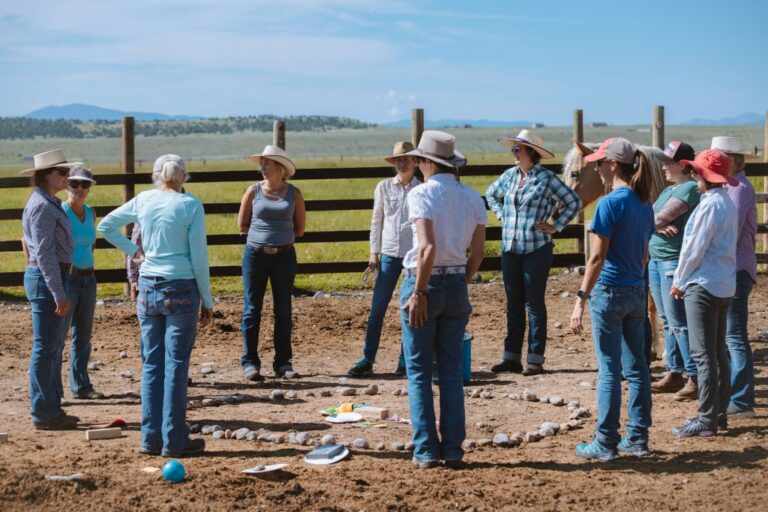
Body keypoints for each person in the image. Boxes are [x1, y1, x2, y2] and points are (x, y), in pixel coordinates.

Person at [98, 154, 212, 457]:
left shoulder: (144, 200)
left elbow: (106, 226)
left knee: (151, 364)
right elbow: (199, 257)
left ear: (156, 176)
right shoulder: (190, 205)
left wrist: (135, 252)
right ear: (183, 176)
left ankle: (150, 438)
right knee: (176, 365)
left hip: (149, 286)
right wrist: (208, 300)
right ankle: (174, 439)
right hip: (182, 287)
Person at [399, 131, 486, 469]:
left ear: (427, 162)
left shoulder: (421, 194)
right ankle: (452, 449)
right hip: (456, 282)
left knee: (419, 371)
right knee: (451, 371)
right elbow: (477, 253)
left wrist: (419, 291)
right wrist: (460, 282)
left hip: (425, 282)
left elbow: (426, 248)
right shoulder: (473, 197)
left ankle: (425, 450)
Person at [570, 137, 655, 461]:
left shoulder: (608, 204)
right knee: (638, 369)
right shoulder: (645, 203)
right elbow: (644, 254)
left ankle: (605, 442)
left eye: (600, 163)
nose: (596, 169)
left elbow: (596, 258)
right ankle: (638, 438)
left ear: (614, 165)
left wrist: (581, 298)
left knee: (609, 370)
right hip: (635, 290)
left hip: (609, 291)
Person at [486, 130, 581, 375]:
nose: (514, 153)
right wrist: (501, 214)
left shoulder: (546, 178)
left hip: (536, 248)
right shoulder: (509, 175)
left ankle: (535, 359)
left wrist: (556, 226)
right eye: (514, 149)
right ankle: (511, 357)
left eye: (518, 149)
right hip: (510, 247)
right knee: (513, 304)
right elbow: (491, 194)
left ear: (531, 152)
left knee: (534, 303)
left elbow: (573, 201)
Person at [670, 150, 738, 437]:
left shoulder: (710, 205)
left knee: (703, 355)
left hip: (704, 283)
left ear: (704, 175)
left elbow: (694, 248)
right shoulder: (727, 202)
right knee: (718, 352)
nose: (693, 175)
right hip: (724, 283)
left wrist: (679, 280)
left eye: (695, 171)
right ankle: (718, 414)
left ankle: (706, 418)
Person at [348, 141, 421, 377]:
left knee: (408, 308)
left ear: (414, 161)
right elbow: (376, 220)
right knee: (377, 308)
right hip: (389, 253)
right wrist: (374, 253)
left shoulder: (421, 189)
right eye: (399, 159)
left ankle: (405, 358)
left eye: (406, 159)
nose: (402, 163)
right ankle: (368, 358)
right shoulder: (383, 187)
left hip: (412, 256)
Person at [20, 149, 82, 430]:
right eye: (62, 172)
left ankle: (50, 407)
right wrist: (58, 292)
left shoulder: (46, 202)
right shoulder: (44, 206)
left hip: (50, 276)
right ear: (47, 175)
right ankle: (44, 412)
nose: (67, 176)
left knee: (51, 346)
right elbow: (45, 254)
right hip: (49, 277)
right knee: (46, 347)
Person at [238, 145, 305, 381]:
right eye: (262, 163)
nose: (263, 167)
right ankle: (250, 362)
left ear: (279, 167)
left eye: (267, 163)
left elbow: (300, 228)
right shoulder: (253, 191)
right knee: (251, 309)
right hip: (256, 255)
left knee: (283, 309)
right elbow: (242, 224)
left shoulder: (294, 193)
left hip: (284, 256)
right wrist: (263, 237)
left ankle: (283, 362)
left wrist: (279, 237)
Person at [648, 141, 700, 400]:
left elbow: (656, 218)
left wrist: (653, 225)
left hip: (671, 260)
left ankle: (693, 376)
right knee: (669, 320)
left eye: (668, 163)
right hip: (658, 260)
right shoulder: (670, 190)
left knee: (678, 321)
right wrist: (655, 226)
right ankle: (676, 371)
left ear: (683, 164)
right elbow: (651, 219)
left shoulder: (689, 189)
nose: (664, 167)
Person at [711, 136, 758, 419]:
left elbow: (730, 230)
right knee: (729, 333)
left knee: (734, 334)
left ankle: (740, 399)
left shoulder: (738, 189)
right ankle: (735, 396)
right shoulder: (732, 187)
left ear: (732, 160)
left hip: (735, 267)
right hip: (732, 267)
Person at [61, 166, 105, 400]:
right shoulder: (60, 211)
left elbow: (90, 243)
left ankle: (81, 386)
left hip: (88, 278)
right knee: (58, 336)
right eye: (74, 183)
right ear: (66, 185)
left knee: (83, 336)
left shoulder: (91, 212)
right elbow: (27, 240)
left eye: (85, 184)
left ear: (90, 188)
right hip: (68, 279)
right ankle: (54, 391)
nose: (79, 188)